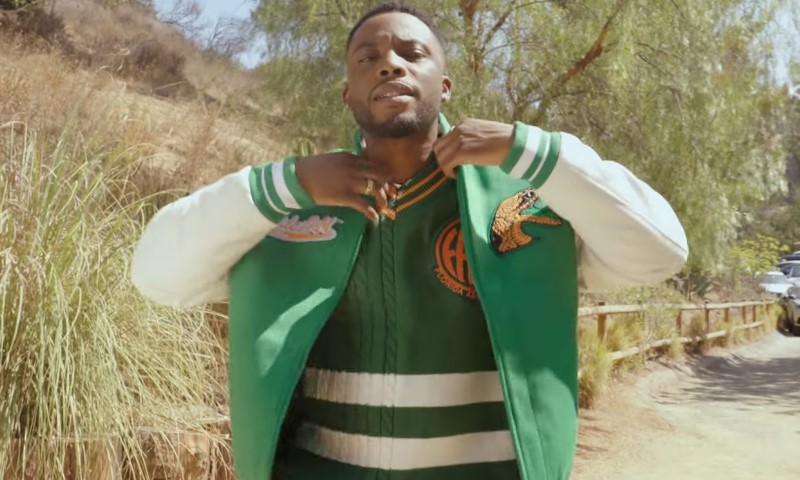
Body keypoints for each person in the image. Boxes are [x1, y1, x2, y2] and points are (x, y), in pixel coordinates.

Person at [131, 3, 688, 480]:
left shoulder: (526, 203)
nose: (389, 63)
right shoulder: (287, 204)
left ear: (444, 85)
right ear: (348, 94)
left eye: (411, 54)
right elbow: (156, 275)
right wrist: (287, 183)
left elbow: (660, 252)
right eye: (368, 58)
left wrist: (533, 151)